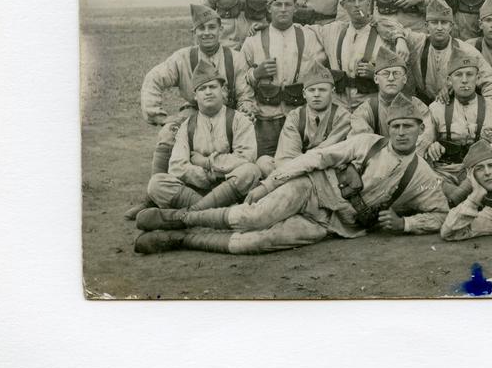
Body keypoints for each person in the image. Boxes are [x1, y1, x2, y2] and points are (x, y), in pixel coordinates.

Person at [134, 94, 449, 255]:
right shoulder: (369, 143)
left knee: (254, 244)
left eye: (409, 126)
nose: (402, 132)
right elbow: (315, 157)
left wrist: (405, 223)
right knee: (253, 217)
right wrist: (269, 183)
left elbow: (440, 214)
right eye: (396, 125)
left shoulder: (422, 175)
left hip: (335, 225)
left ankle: (181, 239)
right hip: (310, 188)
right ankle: (179, 217)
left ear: (421, 129)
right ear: (389, 128)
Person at [125, 4, 256, 220]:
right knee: (169, 133)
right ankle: (154, 198)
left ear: (220, 29)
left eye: (211, 27)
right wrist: (159, 116)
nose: (207, 33)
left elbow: (245, 93)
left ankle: (228, 195)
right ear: (193, 33)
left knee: (248, 158)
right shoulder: (183, 57)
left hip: (228, 112)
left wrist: (246, 110)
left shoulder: (236, 57)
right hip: (193, 114)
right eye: (201, 28)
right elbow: (154, 78)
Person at [140, 61, 261, 215]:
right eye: (202, 89)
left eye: (213, 87)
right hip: (197, 191)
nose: (208, 92)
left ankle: (194, 214)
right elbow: (177, 167)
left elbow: (246, 158)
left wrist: (206, 162)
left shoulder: (239, 120)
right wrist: (207, 177)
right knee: (157, 184)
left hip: (230, 187)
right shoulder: (186, 126)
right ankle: (218, 214)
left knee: (250, 171)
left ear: (223, 91)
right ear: (195, 96)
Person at [240, 0, 326, 165]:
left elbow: (319, 76)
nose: (283, 9)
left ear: (296, 8)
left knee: (299, 165)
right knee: (263, 165)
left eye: (288, 4)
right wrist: (255, 75)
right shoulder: (253, 41)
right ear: (269, 8)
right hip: (265, 120)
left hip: (300, 118)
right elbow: (240, 81)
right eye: (278, 4)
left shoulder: (309, 37)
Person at [423, 48, 492, 205]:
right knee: (425, 178)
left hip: (483, 172)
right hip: (446, 172)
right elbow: (421, 151)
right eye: (459, 75)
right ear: (449, 80)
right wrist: (431, 147)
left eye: (469, 74)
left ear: (478, 78)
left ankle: (460, 196)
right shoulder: (436, 108)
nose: (464, 80)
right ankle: (458, 195)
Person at [305, 0, 410, 111]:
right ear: (343, 5)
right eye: (351, 1)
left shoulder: (386, 33)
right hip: (340, 106)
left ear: (368, 2)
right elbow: (305, 31)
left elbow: (401, 76)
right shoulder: (334, 31)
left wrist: (376, 74)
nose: (356, 5)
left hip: (372, 106)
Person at [401, 0, 492, 104]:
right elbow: (385, 23)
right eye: (435, 22)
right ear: (427, 25)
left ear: (451, 26)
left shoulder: (465, 50)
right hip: (424, 103)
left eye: (444, 23)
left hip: (454, 107)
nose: (439, 28)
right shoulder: (417, 42)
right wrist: (400, 39)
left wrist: (487, 110)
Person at [255, 62, 351, 177]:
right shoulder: (296, 116)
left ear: (333, 92)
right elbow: (287, 156)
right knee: (264, 162)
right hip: (299, 169)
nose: (316, 94)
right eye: (311, 90)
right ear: (304, 94)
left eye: (322, 90)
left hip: (327, 171)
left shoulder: (342, 116)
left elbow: (329, 154)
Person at [349, 47, 433, 154]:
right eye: (385, 73)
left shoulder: (417, 106)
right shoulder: (366, 109)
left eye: (396, 73)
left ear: (404, 79)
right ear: (375, 79)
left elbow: (426, 136)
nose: (391, 78)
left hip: (411, 161)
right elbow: (360, 140)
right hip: (377, 163)